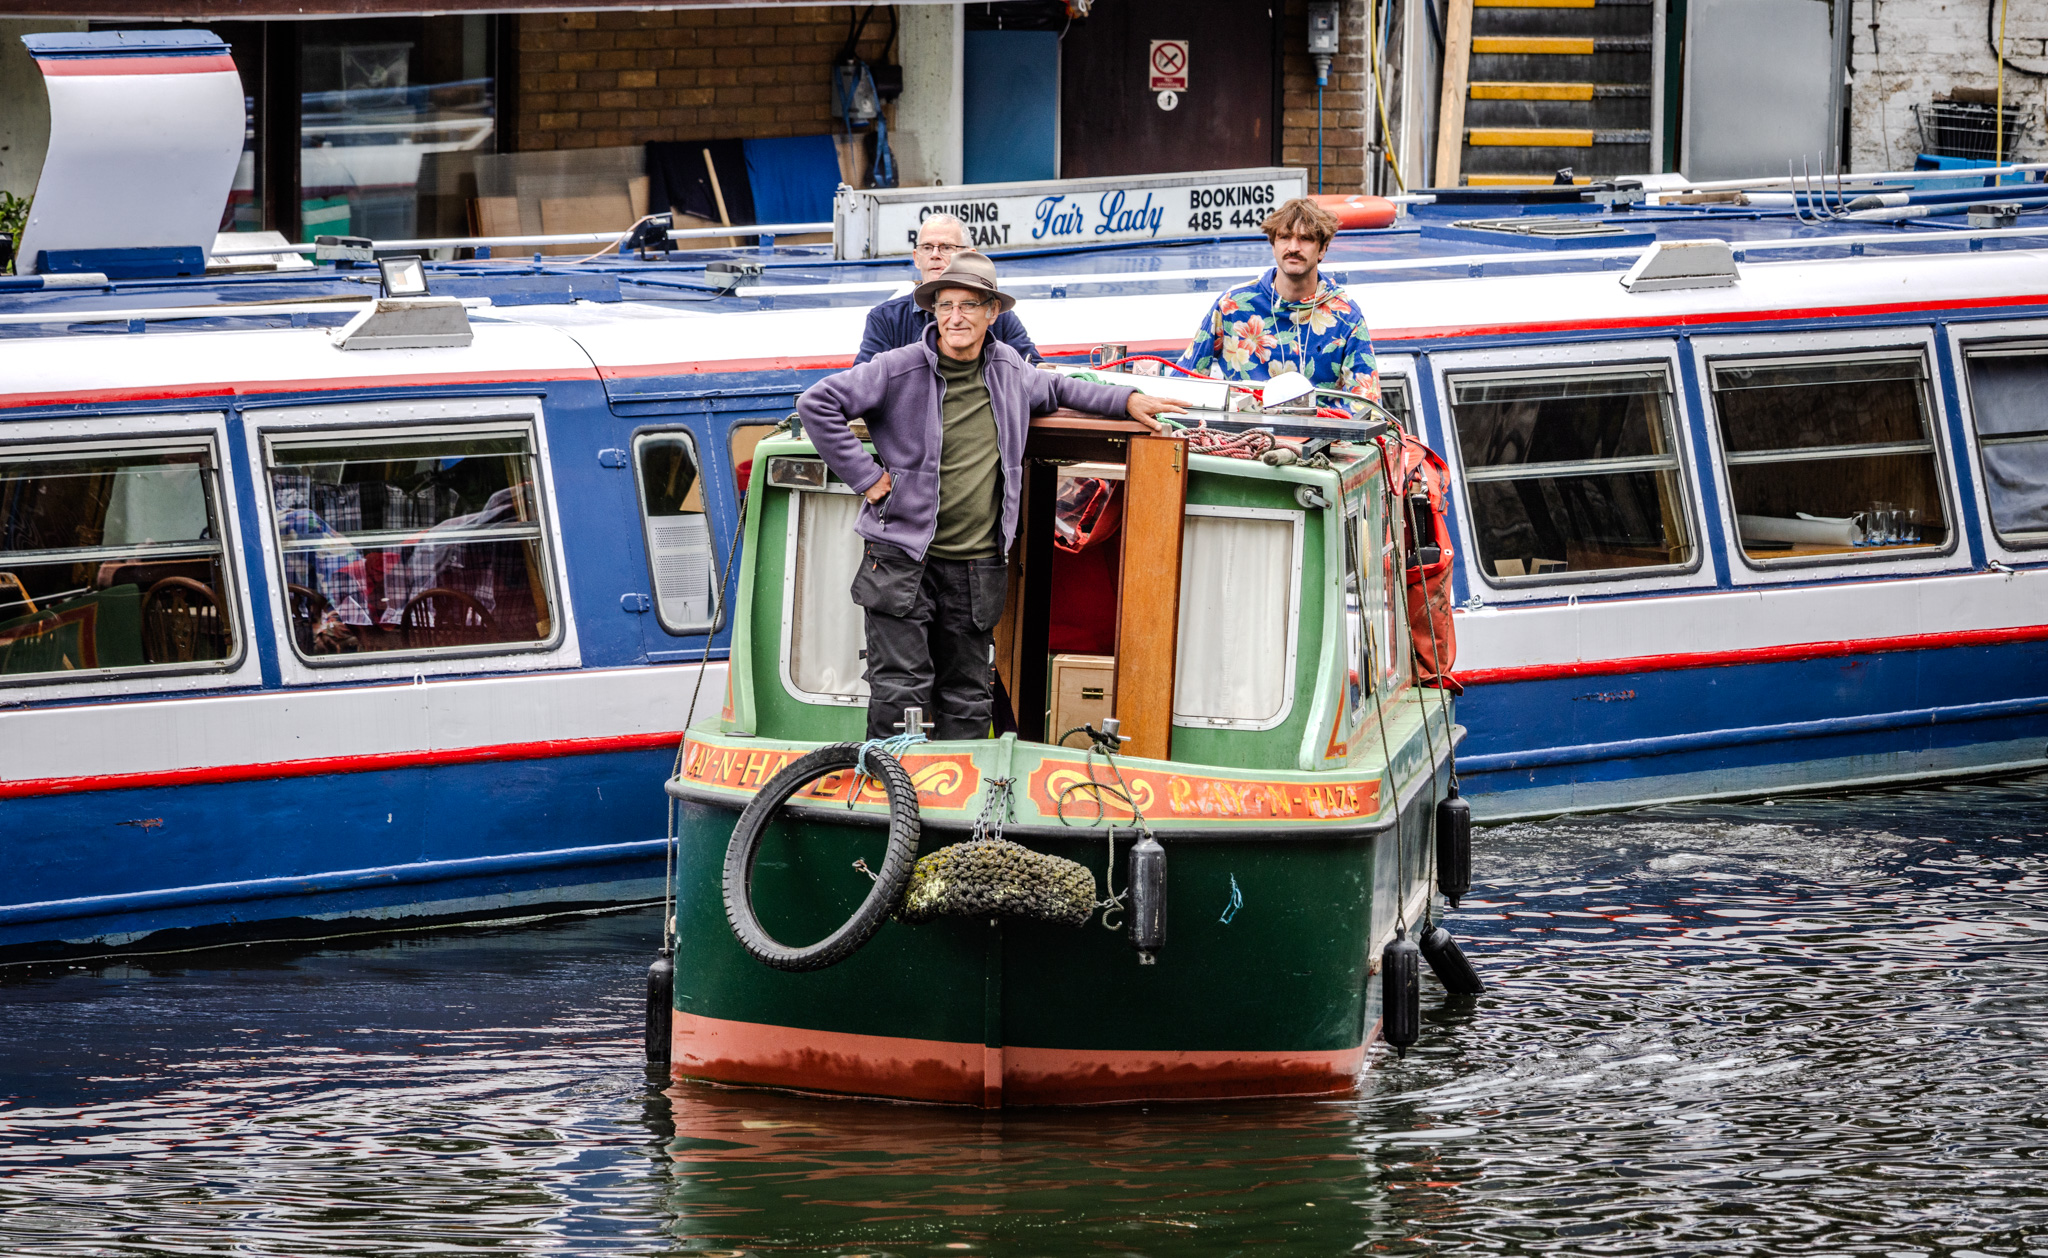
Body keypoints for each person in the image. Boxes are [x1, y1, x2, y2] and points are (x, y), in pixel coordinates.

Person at [801, 252, 1187, 740]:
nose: (955, 317)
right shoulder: (896, 367)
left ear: (992, 312)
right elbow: (817, 403)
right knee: (901, 690)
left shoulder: (1009, 368)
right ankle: (894, 784)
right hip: (901, 559)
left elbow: (1061, 388)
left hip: (976, 566)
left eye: (968, 306)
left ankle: (955, 787)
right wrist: (866, 477)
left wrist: (1127, 400)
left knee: (967, 695)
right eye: (945, 306)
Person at [1176, 197, 1379, 411]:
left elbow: (1367, 409)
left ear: (1322, 249)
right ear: (1273, 246)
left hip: (1323, 432)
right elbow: (1183, 383)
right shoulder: (1232, 306)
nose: (1293, 247)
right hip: (1241, 431)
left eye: (1305, 239)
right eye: (1284, 237)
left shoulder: (1346, 317)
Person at [855, 214, 1040, 365]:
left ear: (969, 256)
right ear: (916, 258)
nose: (935, 255)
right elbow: (860, 386)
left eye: (946, 247)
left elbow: (1034, 370)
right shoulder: (885, 319)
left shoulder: (999, 317)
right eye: (927, 247)